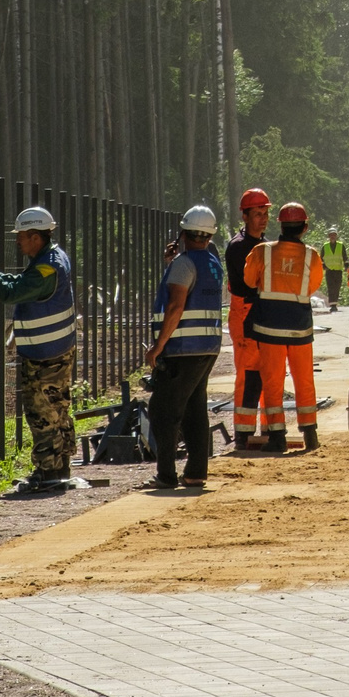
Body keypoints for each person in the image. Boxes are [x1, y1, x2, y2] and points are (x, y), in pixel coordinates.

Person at [0, 206, 79, 494]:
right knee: (58, 408)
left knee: (43, 412)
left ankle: (49, 472)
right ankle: (59, 467)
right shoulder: (52, 258)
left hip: (46, 356)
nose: (18, 242)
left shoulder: (47, 267)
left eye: (22, 237)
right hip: (54, 351)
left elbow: (12, 292)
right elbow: (18, 284)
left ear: (36, 237)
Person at [145, 204, 226, 489]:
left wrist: (158, 346)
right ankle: (195, 472)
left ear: (183, 233)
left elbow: (177, 306)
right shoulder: (213, 264)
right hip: (207, 347)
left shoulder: (183, 264)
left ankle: (166, 475)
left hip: (182, 349)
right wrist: (171, 265)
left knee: (163, 410)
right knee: (194, 409)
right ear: (209, 236)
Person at [243, 199, 328, 451]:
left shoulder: (262, 251)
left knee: (272, 382)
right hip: (300, 327)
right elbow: (312, 286)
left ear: (280, 226)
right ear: (304, 228)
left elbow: (249, 281)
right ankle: (310, 434)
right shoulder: (312, 256)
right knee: (304, 380)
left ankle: (277, 437)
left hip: (269, 328)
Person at [223, 188, 280, 447]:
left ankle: (269, 432)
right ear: (245, 216)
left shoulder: (266, 246)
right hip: (245, 313)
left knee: (269, 372)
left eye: (266, 213)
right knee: (249, 374)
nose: (263, 218)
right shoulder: (238, 247)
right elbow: (251, 284)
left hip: (263, 312)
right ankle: (243, 435)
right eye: (258, 214)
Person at [317, 223, 349, 310]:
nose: (332, 236)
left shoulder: (341, 245)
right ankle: (333, 305)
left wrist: (346, 265)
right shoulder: (325, 246)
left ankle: (334, 303)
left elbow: (345, 257)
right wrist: (323, 266)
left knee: (337, 287)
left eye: (334, 235)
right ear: (329, 236)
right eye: (331, 235)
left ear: (336, 236)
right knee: (330, 287)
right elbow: (321, 258)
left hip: (338, 270)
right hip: (329, 270)